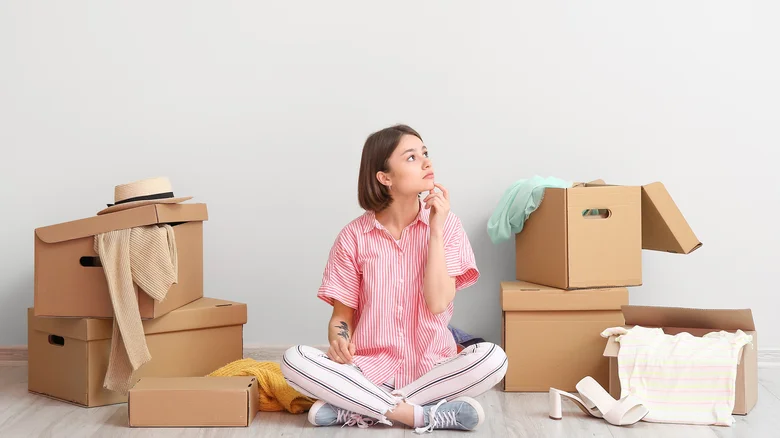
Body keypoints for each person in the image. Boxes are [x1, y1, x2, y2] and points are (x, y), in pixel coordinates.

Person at [281, 124, 508, 433]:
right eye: (412, 157)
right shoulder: (353, 237)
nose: (427, 162)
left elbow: (439, 302)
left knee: (493, 359)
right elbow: (341, 317)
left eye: (425, 153)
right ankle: (421, 416)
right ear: (384, 177)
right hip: (370, 370)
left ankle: (359, 408)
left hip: (433, 372)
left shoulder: (447, 226)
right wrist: (340, 341)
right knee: (294, 359)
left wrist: (436, 232)